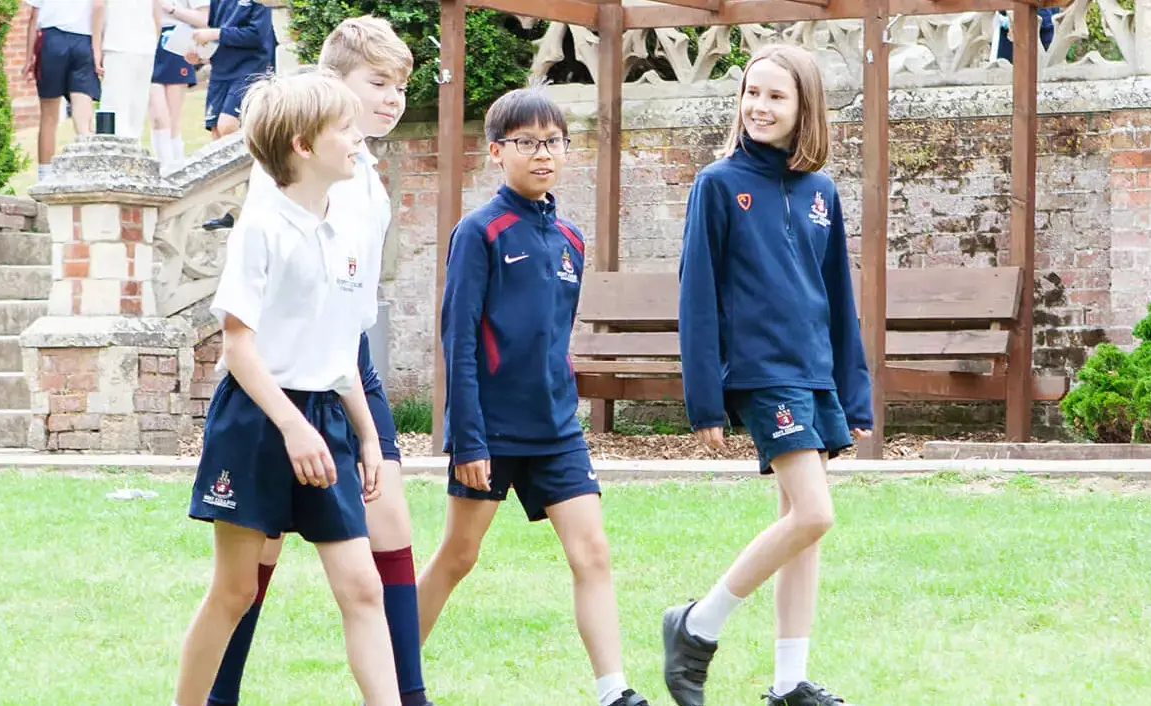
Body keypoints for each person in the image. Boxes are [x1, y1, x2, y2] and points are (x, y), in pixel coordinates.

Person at [204, 17, 434, 706]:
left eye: (401, 85)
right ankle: (218, 693)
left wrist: (362, 420)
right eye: (378, 83)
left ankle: (407, 694)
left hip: (345, 364)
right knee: (252, 565)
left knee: (386, 529)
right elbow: (250, 319)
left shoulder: (367, 177)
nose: (393, 99)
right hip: (285, 376)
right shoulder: (286, 180)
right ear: (330, 89)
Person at [171, 69, 400, 706]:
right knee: (235, 591)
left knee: (362, 588)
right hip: (257, 421)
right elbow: (237, 346)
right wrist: (292, 428)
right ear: (304, 145)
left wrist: (368, 434)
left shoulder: (350, 231)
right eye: (345, 128)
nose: (359, 139)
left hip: (325, 419)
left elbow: (339, 349)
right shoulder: (261, 229)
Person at [418, 88, 653, 706]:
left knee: (592, 551)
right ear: (497, 152)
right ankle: (392, 676)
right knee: (459, 555)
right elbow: (459, 340)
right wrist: (466, 436)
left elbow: (556, 336)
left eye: (553, 142)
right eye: (526, 142)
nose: (542, 154)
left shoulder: (571, 239)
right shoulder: (479, 232)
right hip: (490, 433)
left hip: (557, 432)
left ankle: (614, 690)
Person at [662, 44, 873, 706]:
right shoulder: (718, 184)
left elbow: (838, 296)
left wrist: (854, 390)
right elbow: (696, 296)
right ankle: (698, 625)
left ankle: (789, 682)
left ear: (803, 109)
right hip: (761, 375)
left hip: (813, 375)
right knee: (814, 514)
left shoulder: (821, 193)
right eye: (752, 92)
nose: (759, 105)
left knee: (798, 529)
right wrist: (704, 400)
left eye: (776, 96)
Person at [191, 0, 274, 230]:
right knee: (217, 134)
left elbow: (257, 35)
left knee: (228, 126)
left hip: (250, 68)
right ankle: (226, 211)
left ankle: (255, 198)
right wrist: (199, 54)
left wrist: (215, 33)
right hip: (221, 70)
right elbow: (214, 38)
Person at [23, 0, 106, 182]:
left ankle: (45, 175)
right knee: (83, 109)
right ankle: (88, 170)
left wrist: (29, 57)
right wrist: (97, 48)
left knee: (49, 115)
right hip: (84, 39)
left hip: (51, 40)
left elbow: (33, 16)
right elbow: (99, 6)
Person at [150, 0, 209, 171]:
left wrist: (173, 9)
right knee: (158, 116)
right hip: (146, 40)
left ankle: (176, 166)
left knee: (173, 117)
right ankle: (164, 165)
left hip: (177, 38)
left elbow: (205, 18)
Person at [99, 0, 160, 140]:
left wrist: (96, 46)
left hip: (117, 44)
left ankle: (116, 154)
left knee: (114, 110)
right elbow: (157, 14)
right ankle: (132, 152)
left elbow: (99, 6)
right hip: (145, 46)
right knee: (136, 111)